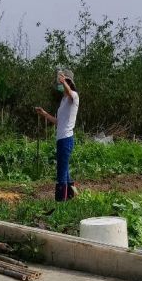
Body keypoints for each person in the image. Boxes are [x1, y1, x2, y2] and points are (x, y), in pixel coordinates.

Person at [35, 70, 79, 201]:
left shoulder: (74, 96)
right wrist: (44, 114)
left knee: (61, 171)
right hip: (61, 138)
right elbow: (58, 122)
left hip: (66, 139)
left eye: (66, 81)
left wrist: (63, 80)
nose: (62, 84)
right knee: (64, 170)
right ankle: (71, 197)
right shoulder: (63, 100)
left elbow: (70, 93)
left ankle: (61, 202)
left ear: (69, 83)